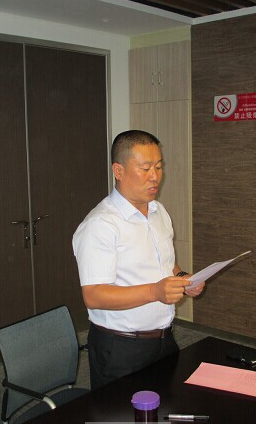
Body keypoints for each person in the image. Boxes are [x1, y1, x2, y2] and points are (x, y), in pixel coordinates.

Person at [72, 130, 204, 389]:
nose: (155, 176)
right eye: (145, 168)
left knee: (168, 403)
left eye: (158, 166)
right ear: (118, 171)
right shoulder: (101, 225)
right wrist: (156, 291)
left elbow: (166, 264)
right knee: (121, 410)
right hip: (120, 347)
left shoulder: (158, 211)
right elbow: (94, 295)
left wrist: (183, 279)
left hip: (164, 338)